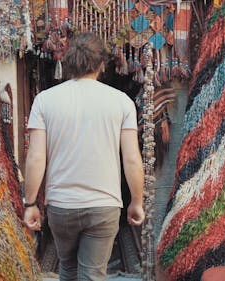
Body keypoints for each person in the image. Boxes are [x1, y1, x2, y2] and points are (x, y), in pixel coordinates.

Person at [23, 32, 145, 281]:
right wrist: (137, 201)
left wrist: (30, 203)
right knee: (92, 274)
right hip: (105, 206)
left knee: (67, 269)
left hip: (61, 206)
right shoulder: (121, 102)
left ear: (68, 62)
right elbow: (131, 158)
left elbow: (36, 158)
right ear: (102, 64)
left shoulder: (44, 101)